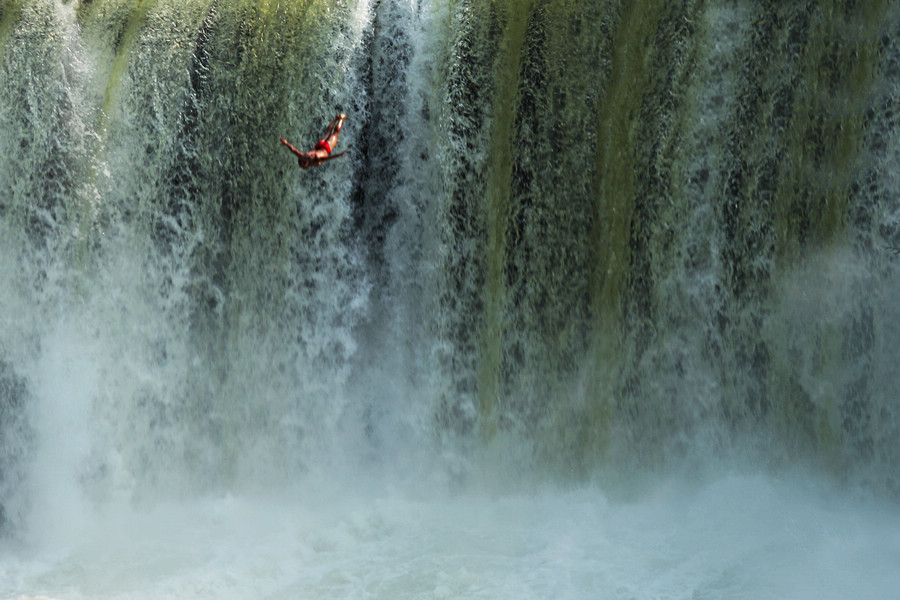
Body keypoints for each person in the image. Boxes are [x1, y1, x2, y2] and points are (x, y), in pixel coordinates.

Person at [280, 114, 347, 169]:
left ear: (306, 163)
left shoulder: (316, 161)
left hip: (326, 148)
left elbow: (328, 158)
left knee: (335, 133)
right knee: (328, 132)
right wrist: (286, 143)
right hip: (319, 146)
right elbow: (293, 150)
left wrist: (339, 155)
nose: (303, 168)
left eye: (303, 167)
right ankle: (336, 118)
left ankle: (341, 118)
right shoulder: (302, 156)